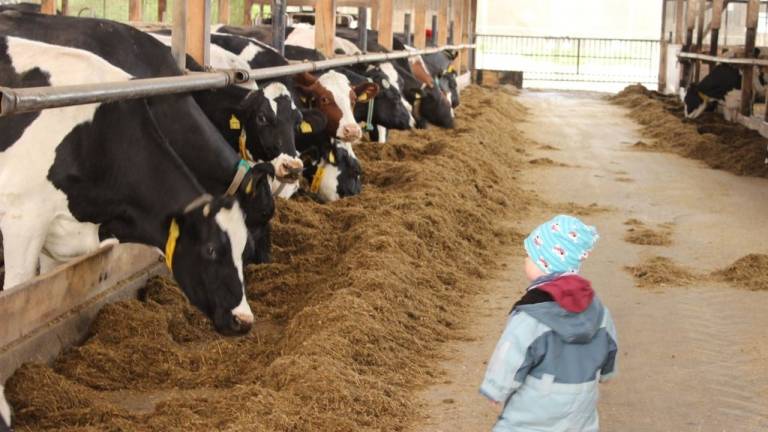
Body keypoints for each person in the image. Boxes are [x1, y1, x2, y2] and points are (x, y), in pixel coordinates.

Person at [479, 215, 617, 432]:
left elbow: (512, 351)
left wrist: (496, 388)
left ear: (544, 264)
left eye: (528, 255)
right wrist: (607, 372)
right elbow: (609, 342)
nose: (525, 260)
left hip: (538, 403)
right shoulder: (597, 308)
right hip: (582, 401)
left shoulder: (533, 312)